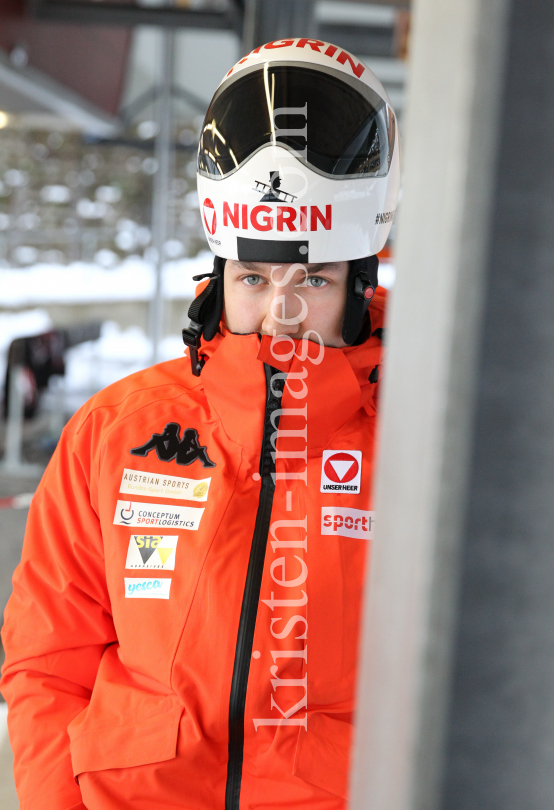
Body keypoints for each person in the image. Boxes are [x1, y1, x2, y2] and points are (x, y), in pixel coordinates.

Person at [1, 38, 399, 810]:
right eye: (253, 276)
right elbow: (49, 656)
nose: (278, 309)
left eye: (312, 277)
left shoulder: (420, 452)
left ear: (358, 283)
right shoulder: (116, 430)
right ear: (221, 275)